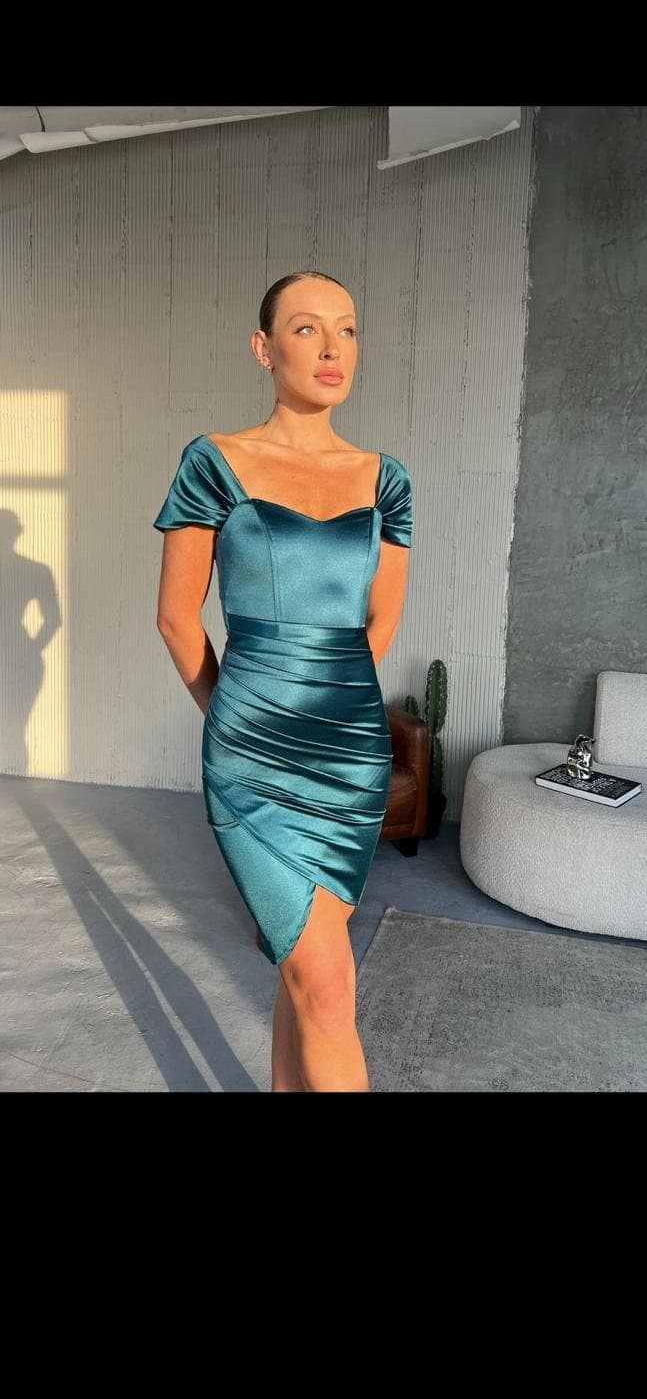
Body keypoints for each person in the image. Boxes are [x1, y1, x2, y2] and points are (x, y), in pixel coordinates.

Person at [153, 271, 413, 1092]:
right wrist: (238, 714)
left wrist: (327, 703)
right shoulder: (215, 462)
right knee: (326, 983)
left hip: (349, 754)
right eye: (306, 329)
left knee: (306, 970)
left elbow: (380, 622)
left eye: (347, 329)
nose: (333, 348)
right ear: (263, 349)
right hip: (250, 752)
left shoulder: (385, 479)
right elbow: (176, 618)